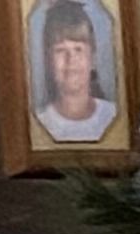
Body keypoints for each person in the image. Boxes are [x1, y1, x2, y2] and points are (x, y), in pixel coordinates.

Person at [31, 0, 121, 147]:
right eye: (60, 50)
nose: (70, 59)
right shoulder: (40, 122)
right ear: (48, 62)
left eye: (78, 49)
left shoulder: (114, 116)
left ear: (92, 59)